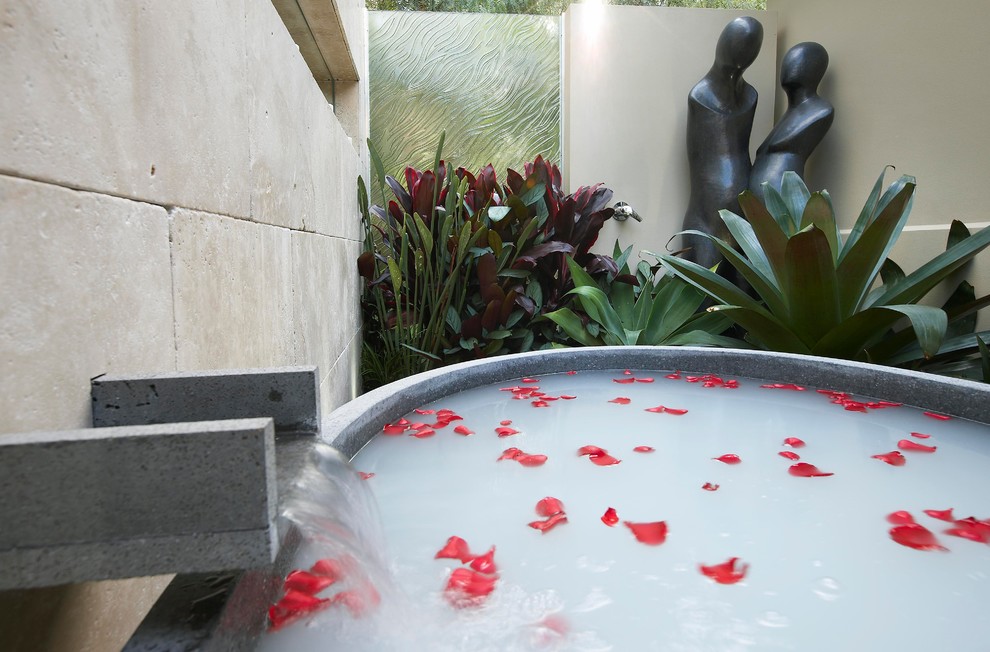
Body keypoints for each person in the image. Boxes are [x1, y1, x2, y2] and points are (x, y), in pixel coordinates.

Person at [681, 16, 763, 270]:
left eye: (751, 44)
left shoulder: (751, 96)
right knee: (702, 299)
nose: (743, 50)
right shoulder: (700, 96)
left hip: (745, 216)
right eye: (738, 41)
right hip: (707, 217)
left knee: (747, 302)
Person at [750, 42, 834, 201]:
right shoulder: (788, 114)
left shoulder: (821, 111)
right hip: (757, 212)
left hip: (783, 203)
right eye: (787, 62)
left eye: (797, 61)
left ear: (814, 68)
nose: (788, 68)